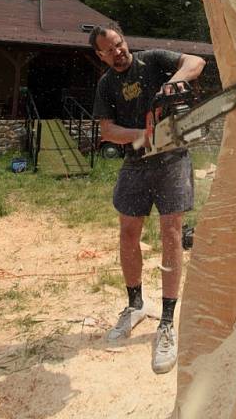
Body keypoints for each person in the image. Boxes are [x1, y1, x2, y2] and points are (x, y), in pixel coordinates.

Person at [89, 23, 205, 374]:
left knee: (171, 233)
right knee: (128, 233)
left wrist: (174, 81)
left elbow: (196, 61)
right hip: (136, 161)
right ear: (100, 55)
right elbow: (107, 129)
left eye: (119, 44)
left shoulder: (153, 61)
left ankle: (167, 322)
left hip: (172, 157)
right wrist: (144, 134)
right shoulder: (106, 84)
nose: (117, 52)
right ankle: (135, 304)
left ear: (124, 40)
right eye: (108, 50)